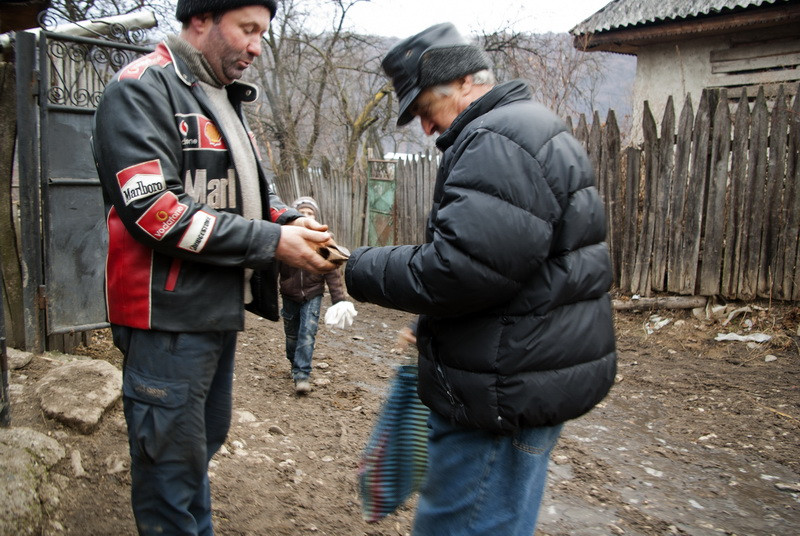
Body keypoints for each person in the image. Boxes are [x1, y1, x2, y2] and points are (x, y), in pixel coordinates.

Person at [344, 22, 617, 535]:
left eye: (426, 110)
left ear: (465, 82)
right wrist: (431, 325)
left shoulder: (496, 139)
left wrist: (354, 265)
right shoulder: (526, 127)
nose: (426, 129)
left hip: (500, 391)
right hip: (519, 377)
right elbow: (505, 265)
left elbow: (462, 270)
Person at [91, 1, 338, 534]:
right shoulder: (140, 89)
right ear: (201, 18)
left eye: (262, 33)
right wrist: (275, 241)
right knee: (169, 475)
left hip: (215, 312)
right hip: (165, 319)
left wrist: (292, 219)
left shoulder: (221, 98)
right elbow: (156, 213)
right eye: (247, 30)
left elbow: (252, 192)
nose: (256, 46)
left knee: (198, 453)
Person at [279, 196, 356, 394]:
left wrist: (339, 299)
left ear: (315, 217)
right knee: (292, 336)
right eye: (301, 213)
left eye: (309, 213)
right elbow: (272, 266)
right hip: (289, 293)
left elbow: (332, 270)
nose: (306, 216)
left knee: (308, 332)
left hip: (314, 293)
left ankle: (302, 375)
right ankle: (294, 362)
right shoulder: (286, 240)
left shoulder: (322, 242)